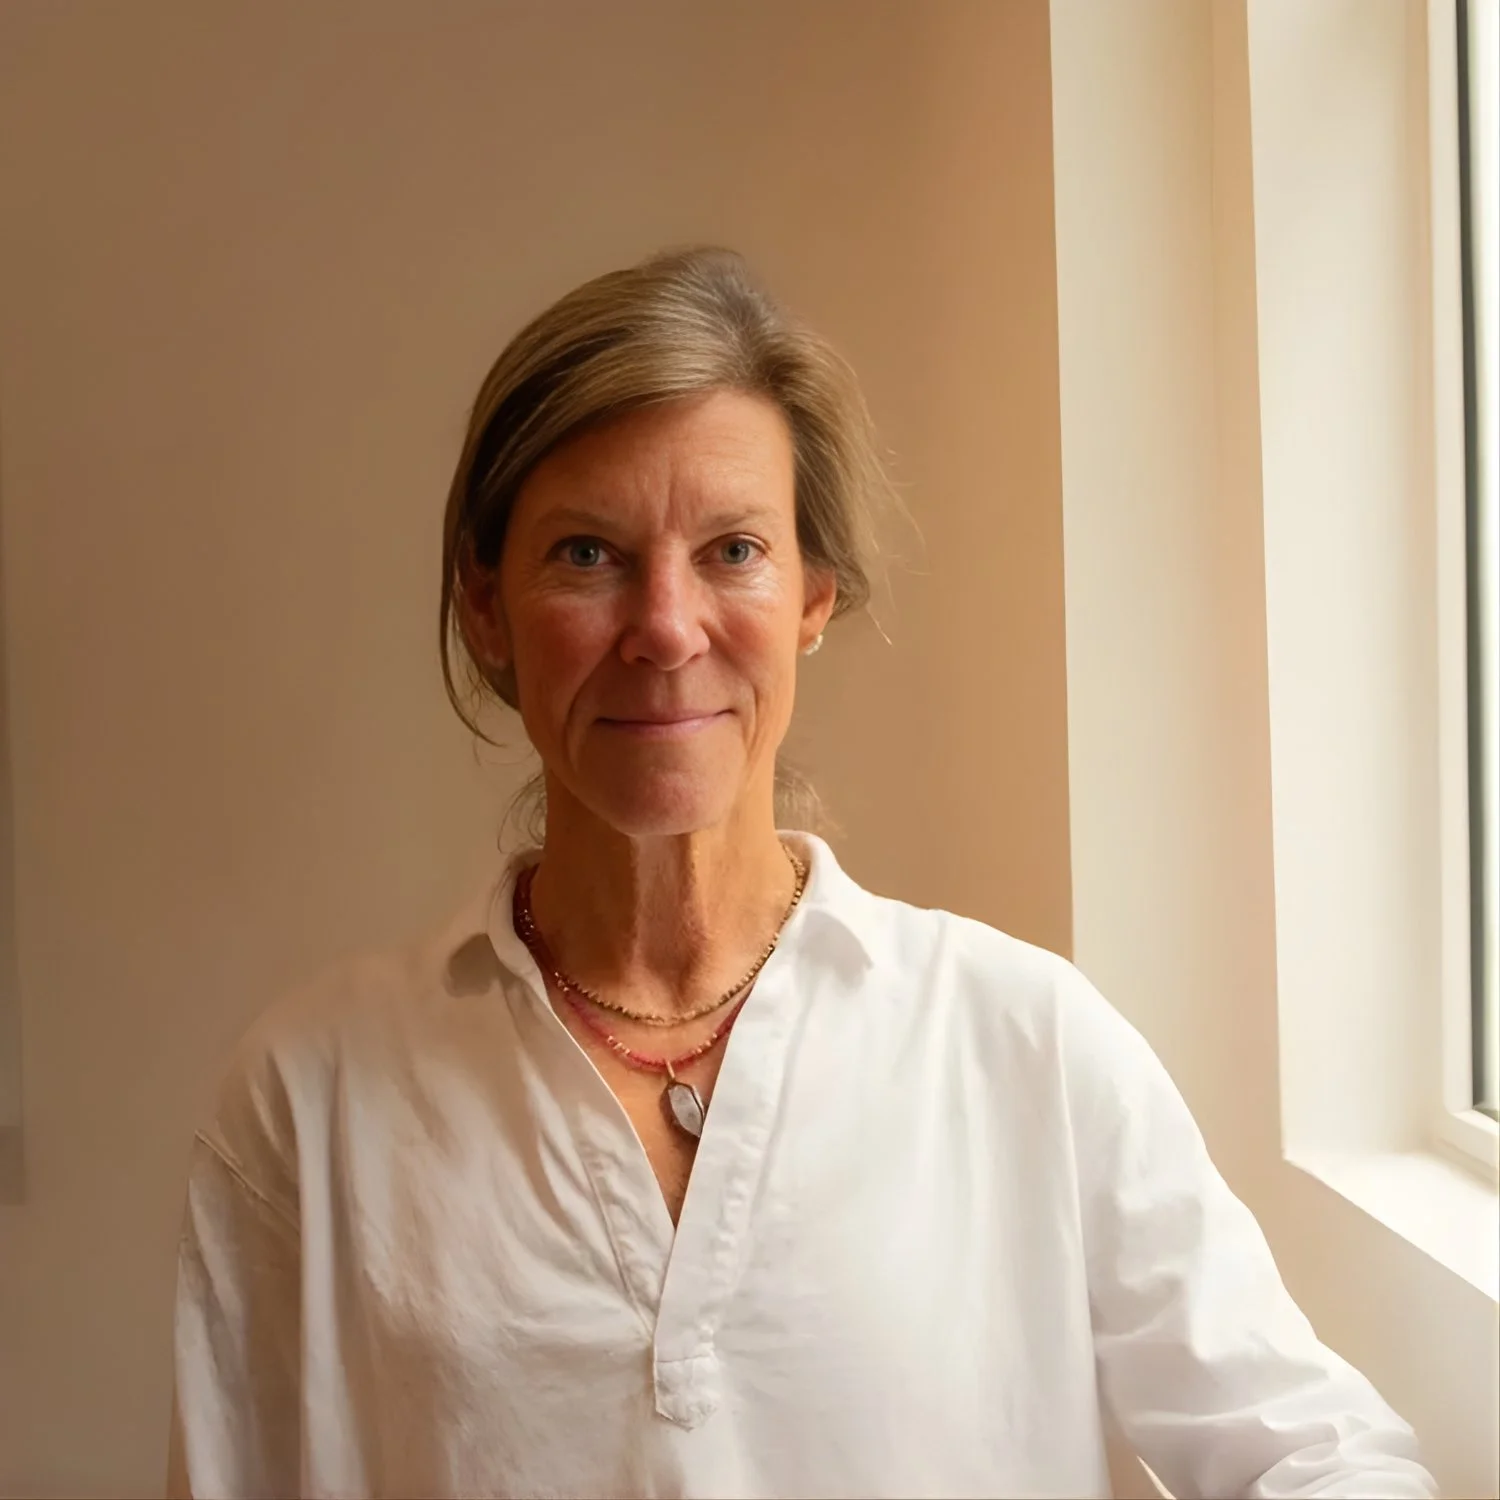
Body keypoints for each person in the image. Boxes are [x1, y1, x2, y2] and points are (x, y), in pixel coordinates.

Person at [166, 246, 1436, 1499]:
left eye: (732, 551)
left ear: (815, 597)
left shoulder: (1023, 1046)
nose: (666, 628)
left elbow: (1323, 1458)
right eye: (586, 555)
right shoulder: (310, 1101)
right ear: (488, 607)